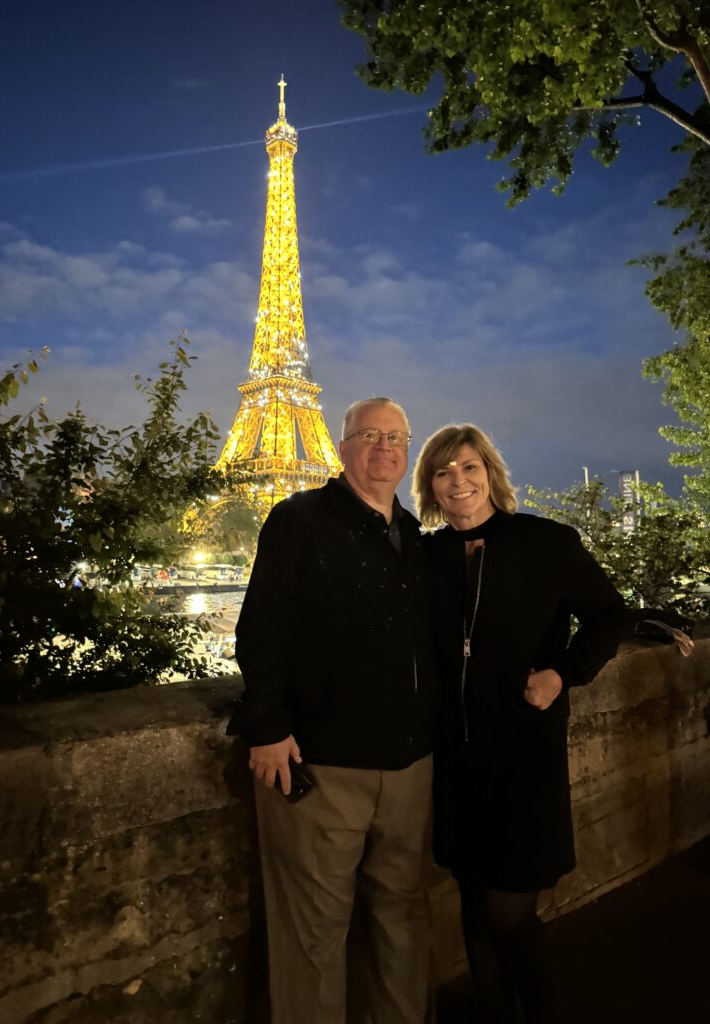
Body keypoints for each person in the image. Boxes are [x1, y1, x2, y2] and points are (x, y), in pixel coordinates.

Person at [228, 397, 439, 1024]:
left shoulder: (414, 538)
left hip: (408, 768)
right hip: (322, 766)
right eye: (369, 435)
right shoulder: (300, 519)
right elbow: (261, 628)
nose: (384, 447)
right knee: (312, 934)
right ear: (340, 445)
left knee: (403, 920)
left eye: (396, 436)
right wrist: (267, 728)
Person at [412, 423, 628, 1024]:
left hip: (521, 758)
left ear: (491, 474)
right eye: (443, 471)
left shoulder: (546, 543)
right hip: (453, 759)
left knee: (510, 911)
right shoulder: (424, 556)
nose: (459, 481)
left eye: (469, 467)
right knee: (474, 902)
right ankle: (492, 1011)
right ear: (430, 486)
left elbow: (610, 617)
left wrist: (563, 672)